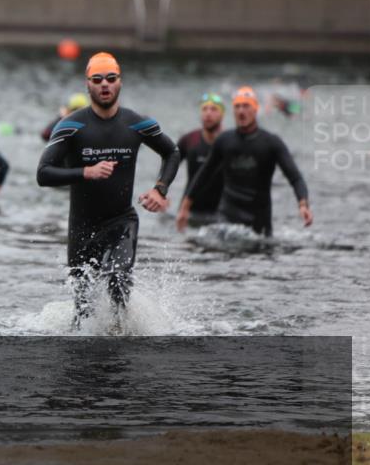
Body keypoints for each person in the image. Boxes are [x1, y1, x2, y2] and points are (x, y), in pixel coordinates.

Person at [37, 52, 180, 329]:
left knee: (117, 277)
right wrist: (85, 172)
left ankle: (121, 335)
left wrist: (160, 189)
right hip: (82, 226)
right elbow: (43, 174)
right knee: (83, 310)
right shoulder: (71, 126)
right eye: (98, 79)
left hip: (121, 222)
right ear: (88, 84)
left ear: (119, 83)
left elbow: (171, 152)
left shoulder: (136, 123)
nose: (105, 84)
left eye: (111, 79)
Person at [177, 86, 312, 236]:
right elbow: (204, 174)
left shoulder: (271, 143)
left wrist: (303, 204)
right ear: (233, 111)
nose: (241, 111)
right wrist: (184, 207)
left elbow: (295, 177)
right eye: (237, 106)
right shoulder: (224, 141)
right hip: (226, 218)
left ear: (255, 109)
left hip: (258, 222)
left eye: (246, 106)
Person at [175, 93, 225, 227]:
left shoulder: (229, 143)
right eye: (204, 109)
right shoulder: (189, 140)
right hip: (189, 212)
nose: (208, 113)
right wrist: (161, 191)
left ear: (222, 114)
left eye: (214, 109)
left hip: (219, 215)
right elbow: (170, 164)